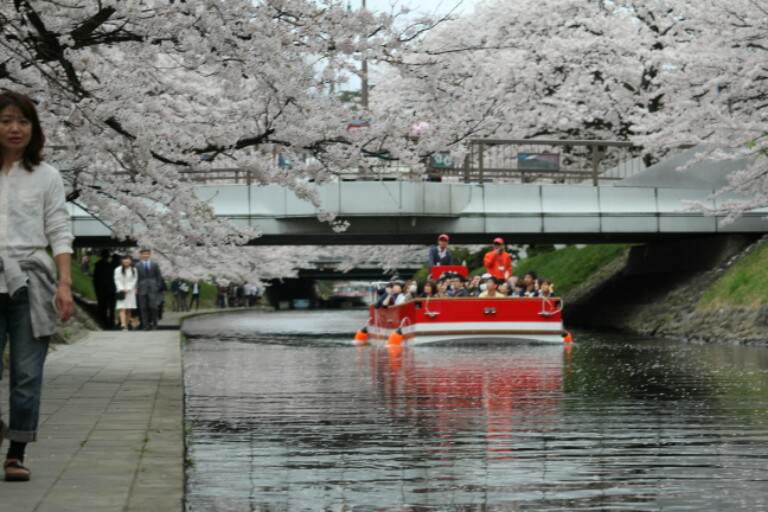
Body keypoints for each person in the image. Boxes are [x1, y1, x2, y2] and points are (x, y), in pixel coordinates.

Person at [0, 90, 74, 482]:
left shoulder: (47, 176)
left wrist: (64, 283)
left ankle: (16, 453)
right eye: (6, 120)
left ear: (34, 128)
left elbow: (59, 230)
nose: (15, 129)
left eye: (23, 121)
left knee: (27, 374)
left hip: (31, 283)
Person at [136, 248, 163, 330]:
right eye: (144, 254)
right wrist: (136, 287)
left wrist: (157, 286)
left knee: (153, 306)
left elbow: (159, 276)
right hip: (141, 287)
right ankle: (145, 325)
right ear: (141, 255)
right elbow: (136, 277)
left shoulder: (154, 264)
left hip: (153, 287)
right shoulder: (137, 265)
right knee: (143, 307)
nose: (145, 255)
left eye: (147, 254)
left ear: (150, 255)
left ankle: (154, 323)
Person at [92, 249, 117, 329]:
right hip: (105, 289)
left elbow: (95, 278)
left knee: (105, 306)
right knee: (107, 306)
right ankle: (108, 322)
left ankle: (106, 322)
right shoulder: (107, 265)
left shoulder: (101, 264)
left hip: (105, 289)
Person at [114, 255, 138, 330]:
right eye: (125, 260)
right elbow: (117, 280)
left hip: (130, 292)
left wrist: (128, 288)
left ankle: (127, 324)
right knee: (121, 308)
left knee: (128, 309)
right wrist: (121, 288)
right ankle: (123, 324)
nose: (126, 261)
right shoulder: (118, 269)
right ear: (122, 261)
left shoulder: (134, 270)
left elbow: (134, 280)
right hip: (120, 291)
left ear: (131, 261)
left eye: (128, 260)